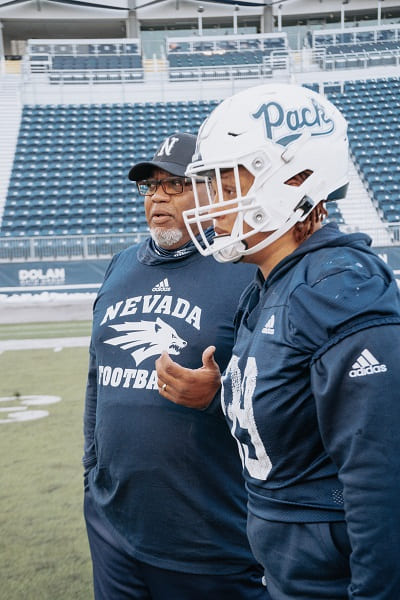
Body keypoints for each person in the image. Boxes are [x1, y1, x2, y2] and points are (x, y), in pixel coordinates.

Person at [156, 85, 400, 599]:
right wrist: (223, 391)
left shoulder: (339, 290)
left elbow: (382, 479)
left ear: (293, 178)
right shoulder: (271, 283)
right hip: (290, 567)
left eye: (227, 182)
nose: (211, 202)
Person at [82, 132, 269, 599]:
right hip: (113, 525)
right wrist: (91, 470)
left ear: (210, 191)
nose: (158, 196)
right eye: (150, 186)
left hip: (210, 537)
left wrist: (217, 397)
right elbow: (96, 376)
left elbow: (287, 397)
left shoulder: (246, 268)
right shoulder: (121, 265)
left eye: (175, 184)